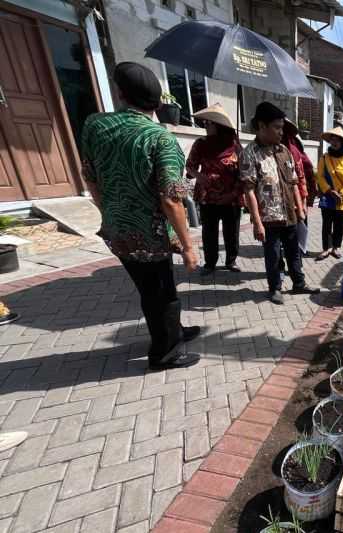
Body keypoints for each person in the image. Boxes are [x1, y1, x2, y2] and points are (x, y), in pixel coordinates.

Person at [81, 62, 200, 369]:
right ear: (159, 103)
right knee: (160, 293)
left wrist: (107, 209)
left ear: (120, 93)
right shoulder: (161, 139)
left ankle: (174, 331)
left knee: (153, 288)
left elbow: (90, 177)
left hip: (117, 230)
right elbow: (172, 200)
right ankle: (165, 353)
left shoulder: (95, 125)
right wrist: (188, 245)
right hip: (150, 234)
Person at [239, 102, 320, 304]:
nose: (281, 132)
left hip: (290, 214)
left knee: (294, 252)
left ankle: (299, 284)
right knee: (273, 256)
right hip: (269, 218)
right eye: (277, 127)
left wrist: (300, 209)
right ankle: (275, 288)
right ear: (261, 126)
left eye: (282, 127)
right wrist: (257, 222)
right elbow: (248, 190)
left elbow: (293, 182)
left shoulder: (284, 150)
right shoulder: (249, 153)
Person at [186, 103, 243, 275]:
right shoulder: (201, 144)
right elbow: (189, 167)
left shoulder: (234, 145)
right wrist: (199, 176)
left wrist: (235, 191)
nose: (205, 126)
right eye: (204, 123)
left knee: (231, 232)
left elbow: (245, 171)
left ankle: (231, 261)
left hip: (231, 196)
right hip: (207, 196)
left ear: (219, 125)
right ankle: (210, 263)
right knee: (209, 232)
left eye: (208, 123)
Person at [316, 126, 343, 260]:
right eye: (332, 139)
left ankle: (336, 247)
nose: (334, 142)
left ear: (342, 142)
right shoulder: (324, 157)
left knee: (340, 225)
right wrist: (329, 190)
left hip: (342, 199)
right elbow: (320, 176)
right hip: (328, 198)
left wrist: (341, 193)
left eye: (337, 140)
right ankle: (326, 248)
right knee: (326, 225)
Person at [281, 119, 313, 255]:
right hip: (276, 205)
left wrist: (304, 202)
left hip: (295, 201)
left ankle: (299, 253)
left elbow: (301, 178)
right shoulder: (263, 151)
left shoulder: (293, 152)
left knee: (297, 232)